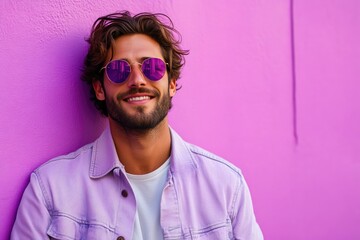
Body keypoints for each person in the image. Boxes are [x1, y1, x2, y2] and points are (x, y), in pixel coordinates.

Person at [11, 11, 263, 239]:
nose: (137, 80)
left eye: (152, 68)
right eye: (119, 70)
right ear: (100, 88)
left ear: (171, 83)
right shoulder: (50, 191)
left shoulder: (226, 186)